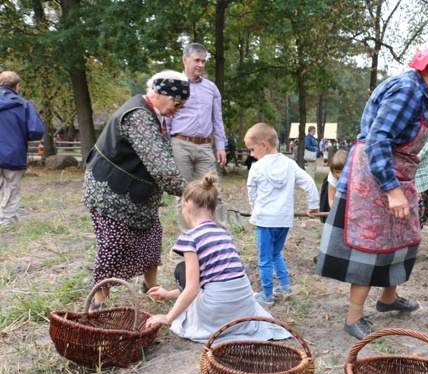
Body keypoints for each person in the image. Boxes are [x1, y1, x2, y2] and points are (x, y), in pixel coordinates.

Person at [316, 42, 428, 339]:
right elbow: (377, 140)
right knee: (369, 246)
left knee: (403, 236)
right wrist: (392, 190)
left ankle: (388, 299)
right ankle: (353, 317)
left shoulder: (421, 92)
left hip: (398, 175)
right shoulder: (408, 91)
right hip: (376, 178)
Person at [145, 172, 291, 343]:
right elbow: (214, 279)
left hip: (217, 314)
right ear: (214, 209)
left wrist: (167, 318)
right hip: (243, 309)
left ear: (187, 206)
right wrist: (170, 294)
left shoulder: (190, 238)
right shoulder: (223, 234)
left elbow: (192, 288)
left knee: (181, 270)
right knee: (193, 275)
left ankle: (203, 321)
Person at [83, 70, 188, 308]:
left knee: (151, 237)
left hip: (134, 195)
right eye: (177, 103)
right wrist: (190, 191)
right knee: (113, 245)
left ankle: (150, 287)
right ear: (161, 93)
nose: (178, 109)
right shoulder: (138, 115)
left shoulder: (153, 112)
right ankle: (98, 303)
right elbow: (161, 166)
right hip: (111, 193)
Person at [245, 123, 320, 305]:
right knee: (276, 253)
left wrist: (254, 207)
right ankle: (285, 286)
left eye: (252, 150)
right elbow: (309, 183)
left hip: (265, 220)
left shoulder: (256, 167)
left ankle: (267, 294)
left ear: (264, 144)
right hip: (284, 220)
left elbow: (251, 191)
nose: (252, 155)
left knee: (264, 259)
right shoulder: (290, 164)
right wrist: (313, 206)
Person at [166, 43, 228, 232]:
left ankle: (219, 234)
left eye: (203, 61)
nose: (200, 65)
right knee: (182, 193)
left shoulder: (211, 88)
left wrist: (221, 146)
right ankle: (188, 237)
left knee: (213, 191)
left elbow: (217, 119)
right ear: (185, 60)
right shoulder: (174, 84)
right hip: (180, 144)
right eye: (197, 60)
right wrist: (167, 145)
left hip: (205, 146)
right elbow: (166, 116)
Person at [0, 71, 45, 228]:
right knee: (12, 189)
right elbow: (36, 131)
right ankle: (7, 223)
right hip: (14, 154)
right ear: (16, 86)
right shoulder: (23, 105)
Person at [319, 149, 349, 223]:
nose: (340, 175)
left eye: (343, 172)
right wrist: (338, 211)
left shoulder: (354, 176)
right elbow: (331, 200)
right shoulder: (333, 177)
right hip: (335, 198)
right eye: (338, 172)